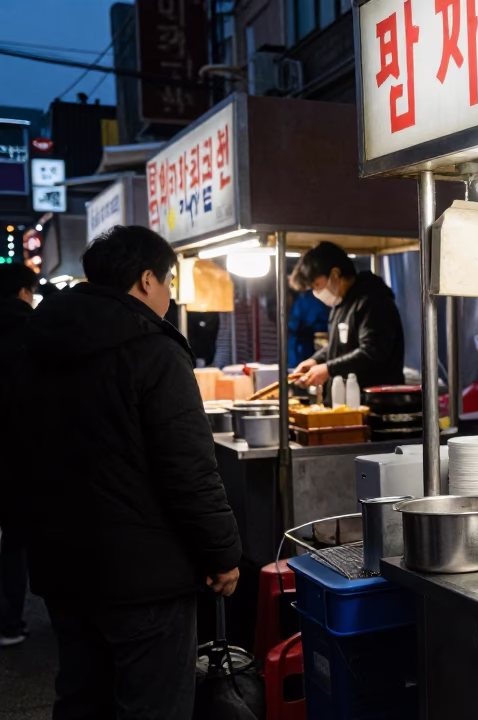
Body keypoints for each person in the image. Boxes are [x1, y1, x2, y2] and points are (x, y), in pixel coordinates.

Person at [11, 225, 242, 719]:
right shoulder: (153, 350)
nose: (168, 296)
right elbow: (189, 471)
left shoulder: (37, 344)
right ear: (144, 280)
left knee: (81, 698)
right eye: (168, 283)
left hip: (61, 567)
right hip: (145, 579)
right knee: (152, 706)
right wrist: (222, 554)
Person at [291, 241, 406, 393]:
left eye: (317, 285)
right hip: (348, 402)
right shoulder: (341, 304)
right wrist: (316, 360)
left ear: (335, 274)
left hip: (375, 404)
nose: (315, 292)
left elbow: (372, 351)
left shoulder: (373, 300)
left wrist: (329, 369)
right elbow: (339, 346)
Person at [0, 263, 37, 647]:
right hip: (16, 457)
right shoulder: (33, 333)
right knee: (15, 542)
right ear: (25, 292)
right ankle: (9, 623)